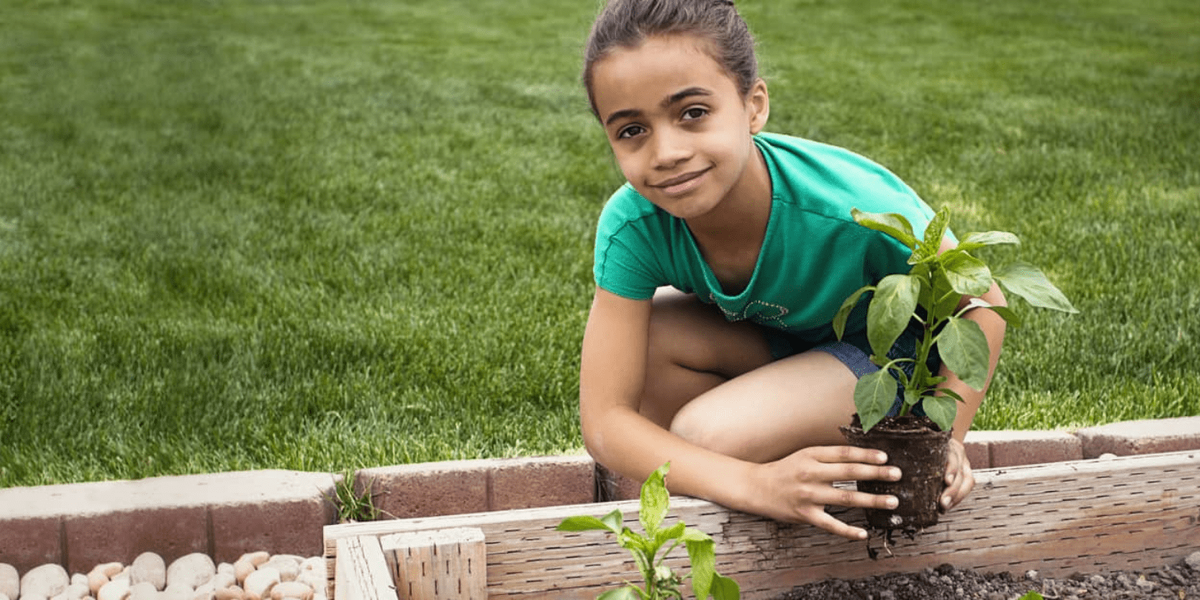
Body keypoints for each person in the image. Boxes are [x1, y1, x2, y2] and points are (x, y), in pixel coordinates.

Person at [576, 0, 1009, 541]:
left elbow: (983, 301)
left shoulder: (849, 207)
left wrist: (947, 437)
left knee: (701, 438)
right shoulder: (634, 224)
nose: (666, 152)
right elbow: (606, 420)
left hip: (890, 364)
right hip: (789, 342)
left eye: (692, 113)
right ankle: (775, 474)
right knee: (645, 346)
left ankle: (797, 470)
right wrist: (753, 483)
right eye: (632, 130)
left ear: (753, 105)